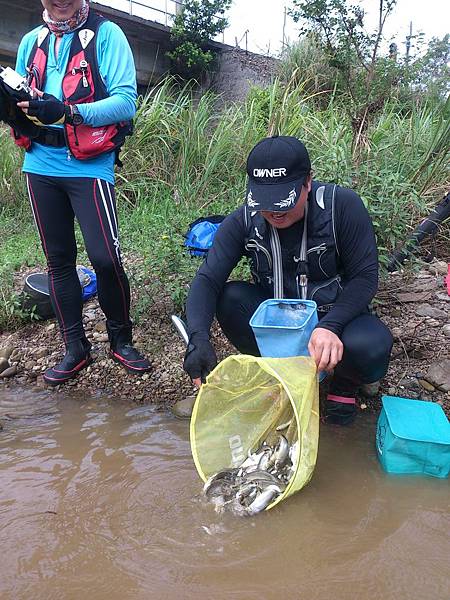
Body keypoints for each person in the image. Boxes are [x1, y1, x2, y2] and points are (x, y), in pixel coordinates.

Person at [183, 135, 393, 425]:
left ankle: (344, 384)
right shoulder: (243, 220)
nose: (274, 212)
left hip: (334, 319)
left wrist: (331, 326)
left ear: (308, 182)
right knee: (229, 297)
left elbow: (365, 277)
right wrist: (198, 339)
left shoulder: (342, 206)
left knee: (371, 345)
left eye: (284, 200)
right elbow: (207, 279)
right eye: (266, 202)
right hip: (280, 323)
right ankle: (278, 371)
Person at [13, 0, 151, 385]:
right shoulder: (31, 41)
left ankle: (121, 340)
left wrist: (67, 112)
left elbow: (126, 101)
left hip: (90, 165)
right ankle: (75, 348)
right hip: (40, 164)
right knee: (58, 261)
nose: (60, 1)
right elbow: (25, 103)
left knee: (105, 258)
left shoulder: (107, 35)